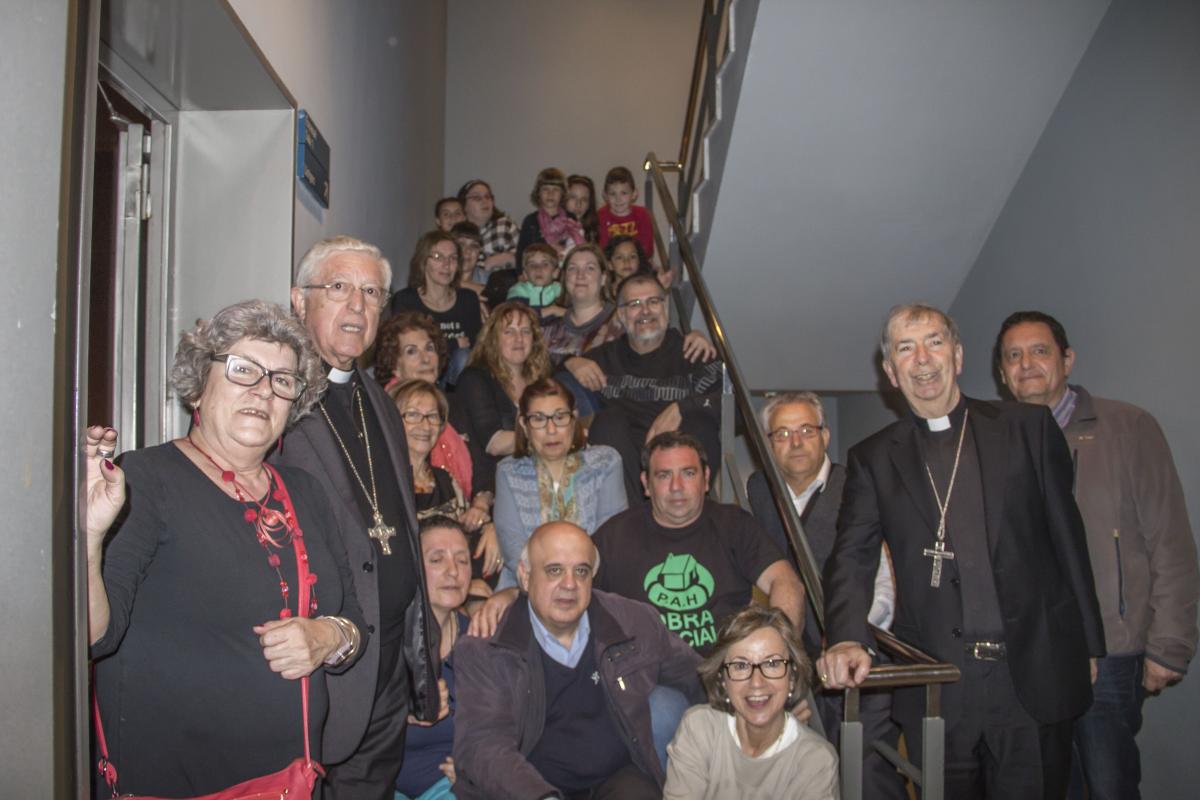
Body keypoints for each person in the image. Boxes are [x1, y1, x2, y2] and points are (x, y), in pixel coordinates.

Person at [819, 302, 1105, 799]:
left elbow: (1068, 538)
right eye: (905, 348)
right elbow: (852, 556)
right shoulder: (873, 458)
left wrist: (1090, 643)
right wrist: (845, 636)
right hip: (940, 684)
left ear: (957, 355)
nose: (922, 359)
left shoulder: (1027, 428)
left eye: (934, 342)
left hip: (1029, 673)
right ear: (890, 372)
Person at [86, 300, 366, 796]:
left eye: (282, 379)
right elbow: (93, 638)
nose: (264, 390)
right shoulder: (146, 479)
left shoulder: (305, 491)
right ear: (199, 384)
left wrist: (330, 637)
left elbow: (353, 620)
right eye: (243, 369)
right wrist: (87, 537)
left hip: (293, 781)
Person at [995, 310, 1199, 800]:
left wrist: (1170, 644)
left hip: (1111, 651)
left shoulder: (1127, 427)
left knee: (1109, 786)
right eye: (1013, 356)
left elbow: (1170, 539)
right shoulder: (996, 440)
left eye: (1039, 351)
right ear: (1002, 373)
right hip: (1031, 653)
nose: (1026, 364)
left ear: (1067, 360)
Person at [274, 236, 440, 798]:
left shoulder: (379, 400)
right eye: (339, 287)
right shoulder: (274, 395)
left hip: (386, 660)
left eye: (371, 293)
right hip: (318, 662)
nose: (357, 305)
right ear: (300, 300)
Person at [452, 522, 705, 799]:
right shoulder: (488, 648)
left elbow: (699, 675)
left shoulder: (632, 621)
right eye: (555, 570)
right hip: (532, 787)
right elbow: (484, 744)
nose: (570, 584)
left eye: (581, 571)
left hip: (618, 777)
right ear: (525, 576)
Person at [747, 391, 905, 799]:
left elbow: (883, 583)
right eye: (782, 434)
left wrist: (850, 638)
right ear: (767, 443)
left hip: (858, 656)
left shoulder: (859, 486)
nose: (796, 442)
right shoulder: (759, 490)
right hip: (796, 662)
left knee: (865, 770)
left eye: (806, 430)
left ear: (826, 436)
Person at [593, 431, 805, 654]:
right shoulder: (614, 536)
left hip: (726, 666)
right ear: (646, 483)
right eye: (664, 475)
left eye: (688, 473)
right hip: (648, 670)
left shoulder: (734, 524)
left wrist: (778, 651)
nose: (676, 486)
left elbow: (786, 582)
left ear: (705, 478)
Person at [472, 378, 626, 625]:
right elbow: (514, 550)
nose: (551, 430)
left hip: (595, 586)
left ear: (574, 418)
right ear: (524, 425)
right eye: (539, 419)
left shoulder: (606, 462)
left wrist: (573, 583)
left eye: (560, 417)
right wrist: (544, 588)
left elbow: (611, 540)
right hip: (525, 589)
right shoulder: (508, 471)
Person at [569, 273, 723, 497]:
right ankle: (630, 515)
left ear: (665, 307)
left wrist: (683, 407)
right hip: (627, 477)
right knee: (607, 421)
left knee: (701, 420)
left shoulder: (693, 352)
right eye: (634, 304)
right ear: (621, 314)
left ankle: (690, 510)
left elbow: (735, 405)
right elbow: (547, 389)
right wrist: (570, 362)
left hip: (678, 468)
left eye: (653, 301)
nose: (645, 311)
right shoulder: (601, 360)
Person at [663, 606, 839, 800]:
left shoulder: (816, 761)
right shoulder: (699, 729)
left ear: (792, 676)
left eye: (772, 664)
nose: (756, 682)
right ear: (723, 679)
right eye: (741, 665)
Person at [388, 378, 500, 595]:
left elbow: (463, 534)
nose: (425, 426)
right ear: (390, 420)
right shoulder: (383, 483)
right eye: (412, 415)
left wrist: (489, 528)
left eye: (432, 416)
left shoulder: (444, 479)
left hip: (454, 584)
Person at [394, 516, 475, 800]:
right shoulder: (385, 644)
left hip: (450, 785)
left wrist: (479, 766)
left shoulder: (481, 643)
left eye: (462, 560)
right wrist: (398, 710)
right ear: (412, 567)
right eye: (437, 559)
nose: (453, 571)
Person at [374, 311, 481, 504]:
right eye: (411, 351)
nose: (425, 359)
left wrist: (481, 503)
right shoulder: (386, 411)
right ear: (394, 364)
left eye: (430, 348)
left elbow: (483, 465)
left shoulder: (455, 404)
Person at [451, 301, 551, 493]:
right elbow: (494, 443)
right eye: (509, 332)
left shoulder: (541, 378)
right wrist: (553, 436)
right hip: (495, 483)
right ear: (493, 339)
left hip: (541, 472)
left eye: (525, 331)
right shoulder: (474, 379)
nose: (519, 339)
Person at [390, 229, 484, 386]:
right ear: (423, 262)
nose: (446, 265)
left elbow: (476, 349)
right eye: (438, 257)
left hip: (457, 384)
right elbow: (405, 350)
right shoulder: (406, 301)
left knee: (464, 357)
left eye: (452, 258)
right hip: (419, 377)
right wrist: (453, 344)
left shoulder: (468, 299)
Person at [516, 167, 586, 264]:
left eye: (556, 189)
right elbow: (521, 254)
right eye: (545, 189)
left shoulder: (570, 219)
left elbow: (577, 247)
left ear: (563, 193)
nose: (550, 194)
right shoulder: (530, 221)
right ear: (538, 193)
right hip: (537, 268)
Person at [458, 178, 518, 278]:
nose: (484, 201)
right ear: (464, 205)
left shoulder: (504, 225)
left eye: (487, 196)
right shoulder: (458, 233)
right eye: (477, 198)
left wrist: (499, 259)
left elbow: (526, 257)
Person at [596, 166, 654, 256]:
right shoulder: (601, 215)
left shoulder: (642, 214)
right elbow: (602, 248)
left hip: (637, 260)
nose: (618, 199)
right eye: (612, 194)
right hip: (611, 261)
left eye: (624, 193)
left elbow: (647, 247)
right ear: (605, 195)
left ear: (634, 194)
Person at [507, 242, 566, 317]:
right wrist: (552, 310)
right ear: (525, 274)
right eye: (532, 265)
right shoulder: (518, 291)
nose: (538, 269)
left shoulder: (561, 290)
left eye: (545, 264)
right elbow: (521, 316)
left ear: (555, 273)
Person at [449, 220, 487, 298]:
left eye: (474, 246)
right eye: (461, 244)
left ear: (479, 251)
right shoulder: (438, 274)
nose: (468, 251)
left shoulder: (489, 280)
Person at [565, 173, 599, 243]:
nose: (578, 204)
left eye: (584, 199)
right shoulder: (552, 229)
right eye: (573, 197)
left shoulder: (593, 232)